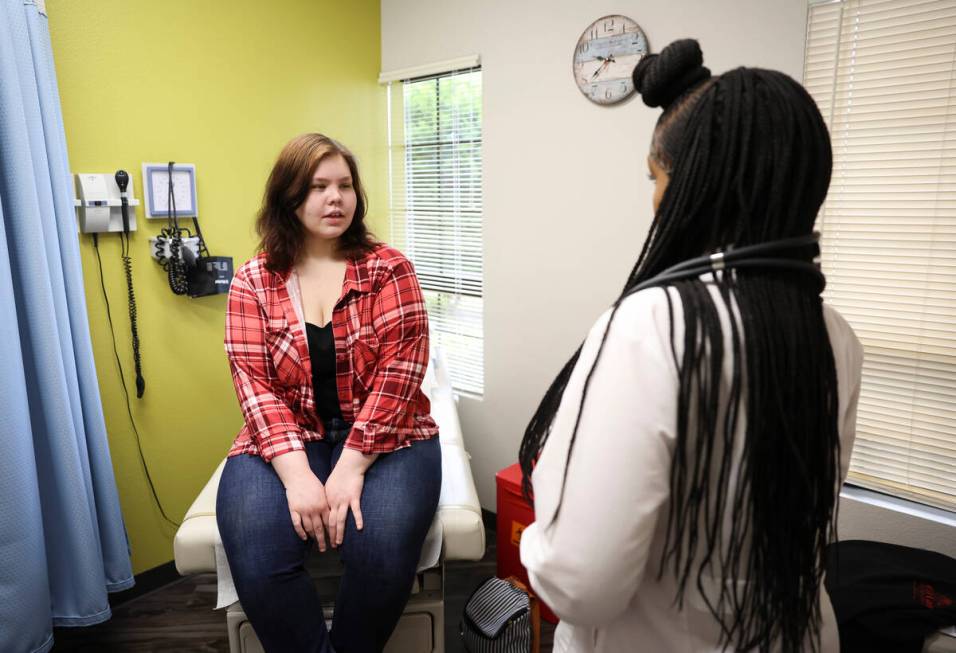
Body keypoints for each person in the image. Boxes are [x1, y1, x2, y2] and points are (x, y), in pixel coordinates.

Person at [518, 40, 864, 653]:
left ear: (694, 187)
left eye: (656, 178)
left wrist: (536, 530)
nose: (652, 201)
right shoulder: (834, 335)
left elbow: (582, 585)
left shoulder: (651, 326)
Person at [216, 133, 442, 653]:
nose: (335, 198)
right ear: (289, 198)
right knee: (255, 551)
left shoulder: (389, 269)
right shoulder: (254, 281)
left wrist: (350, 467)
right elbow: (253, 383)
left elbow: (400, 373)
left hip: (390, 434)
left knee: (379, 547)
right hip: (288, 436)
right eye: (318, 187)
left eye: (344, 185)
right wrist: (297, 475)